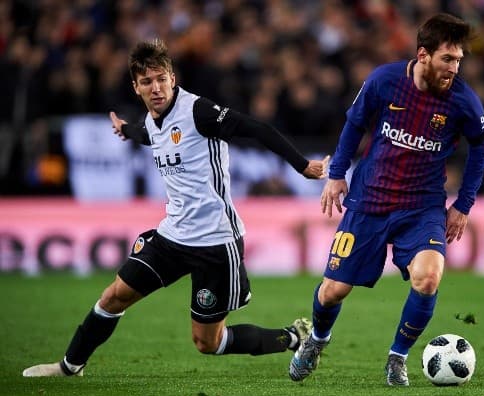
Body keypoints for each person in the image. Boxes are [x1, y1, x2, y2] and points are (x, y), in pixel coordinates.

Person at [23, 38, 329, 377]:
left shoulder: (198, 112)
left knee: (206, 343)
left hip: (215, 241)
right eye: (146, 82)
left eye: (161, 79)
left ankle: (290, 337)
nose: (156, 88)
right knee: (113, 297)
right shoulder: (153, 120)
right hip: (172, 236)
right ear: (136, 87)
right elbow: (151, 135)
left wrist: (303, 166)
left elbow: (256, 129)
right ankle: (69, 366)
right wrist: (127, 130)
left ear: (172, 77)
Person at [289, 13, 484, 386]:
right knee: (334, 290)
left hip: (423, 207)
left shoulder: (463, 101)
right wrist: (336, 175)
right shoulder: (384, 81)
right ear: (423, 55)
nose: (454, 68)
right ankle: (317, 341)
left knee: (428, 278)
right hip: (369, 201)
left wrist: (463, 204)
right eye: (447, 59)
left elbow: (483, 145)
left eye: (459, 60)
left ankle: (397, 358)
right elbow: (355, 124)